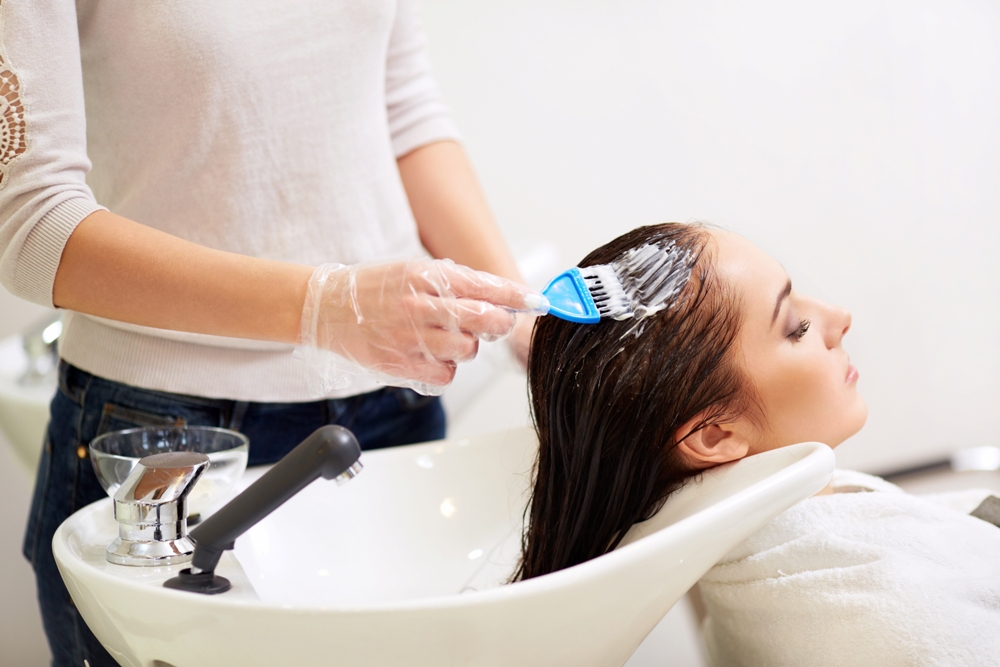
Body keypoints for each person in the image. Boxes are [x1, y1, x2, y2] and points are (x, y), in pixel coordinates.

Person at [0, 1, 543, 664]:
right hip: (172, 445)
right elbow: (33, 228)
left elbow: (401, 107)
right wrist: (323, 305)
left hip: (394, 411)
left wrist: (523, 318)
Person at [517, 223, 1000, 665]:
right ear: (716, 435)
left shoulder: (746, 565)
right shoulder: (892, 622)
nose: (839, 317)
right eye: (796, 328)